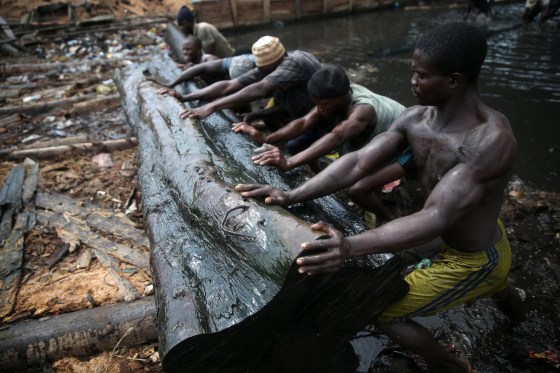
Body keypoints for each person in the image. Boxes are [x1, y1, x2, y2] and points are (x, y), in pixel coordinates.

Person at [235, 22, 525, 372]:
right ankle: (515, 306)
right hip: (447, 232)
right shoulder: (416, 117)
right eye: (412, 73)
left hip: (472, 254)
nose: (412, 82)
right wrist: (291, 192)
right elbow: (357, 161)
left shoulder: (490, 139)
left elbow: (436, 216)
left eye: (421, 76)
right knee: (496, 285)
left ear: (454, 80)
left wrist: (350, 246)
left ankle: (453, 365)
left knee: (381, 310)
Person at [233, 64, 409, 221]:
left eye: (324, 104)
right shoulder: (334, 97)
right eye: (316, 104)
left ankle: (388, 218)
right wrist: (265, 138)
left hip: (407, 144)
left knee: (356, 190)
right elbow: (303, 122)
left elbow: (336, 137)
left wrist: (289, 162)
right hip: (376, 140)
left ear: (340, 98)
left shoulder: (363, 110)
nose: (320, 109)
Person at [178, 36, 322, 126]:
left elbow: (259, 89)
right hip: (300, 111)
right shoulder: (269, 67)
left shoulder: (293, 63)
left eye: (265, 69)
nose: (262, 72)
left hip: (325, 114)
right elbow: (229, 85)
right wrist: (184, 97)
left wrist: (212, 107)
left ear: (278, 61)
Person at [148, 54, 256, 92]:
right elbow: (200, 68)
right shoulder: (236, 62)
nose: (185, 53)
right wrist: (171, 84)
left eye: (188, 50)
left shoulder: (210, 58)